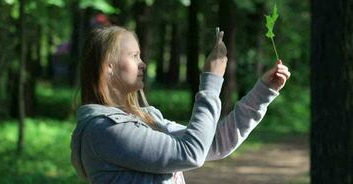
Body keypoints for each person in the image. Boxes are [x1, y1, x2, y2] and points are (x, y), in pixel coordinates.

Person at [70, 26, 291, 184]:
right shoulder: (104, 129)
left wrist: (264, 90)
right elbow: (190, 153)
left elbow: (212, 144)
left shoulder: (147, 118)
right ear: (108, 67)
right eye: (134, 56)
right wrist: (211, 83)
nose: (143, 63)